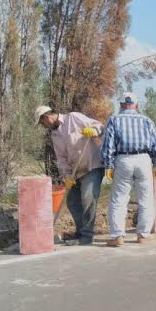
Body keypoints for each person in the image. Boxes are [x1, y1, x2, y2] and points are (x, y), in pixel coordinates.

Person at [100, 92, 156, 247]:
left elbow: (108, 145)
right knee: (146, 199)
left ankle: (118, 236)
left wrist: (108, 165)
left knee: (119, 199)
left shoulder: (114, 120)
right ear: (137, 105)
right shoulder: (147, 121)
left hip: (123, 159)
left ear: (121, 105)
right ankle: (143, 235)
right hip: (143, 159)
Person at [35, 105, 104, 245]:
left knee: (88, 199)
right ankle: (80, 232)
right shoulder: (55, 135)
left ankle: (87, 236)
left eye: (42, 123)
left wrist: (94, 130)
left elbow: (100, 126)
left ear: (47, 117)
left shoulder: (73, 117)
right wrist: (66, 176)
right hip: (75, 172)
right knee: (72, 202)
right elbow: (61, 158)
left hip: (92, 166)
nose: (43, 126)